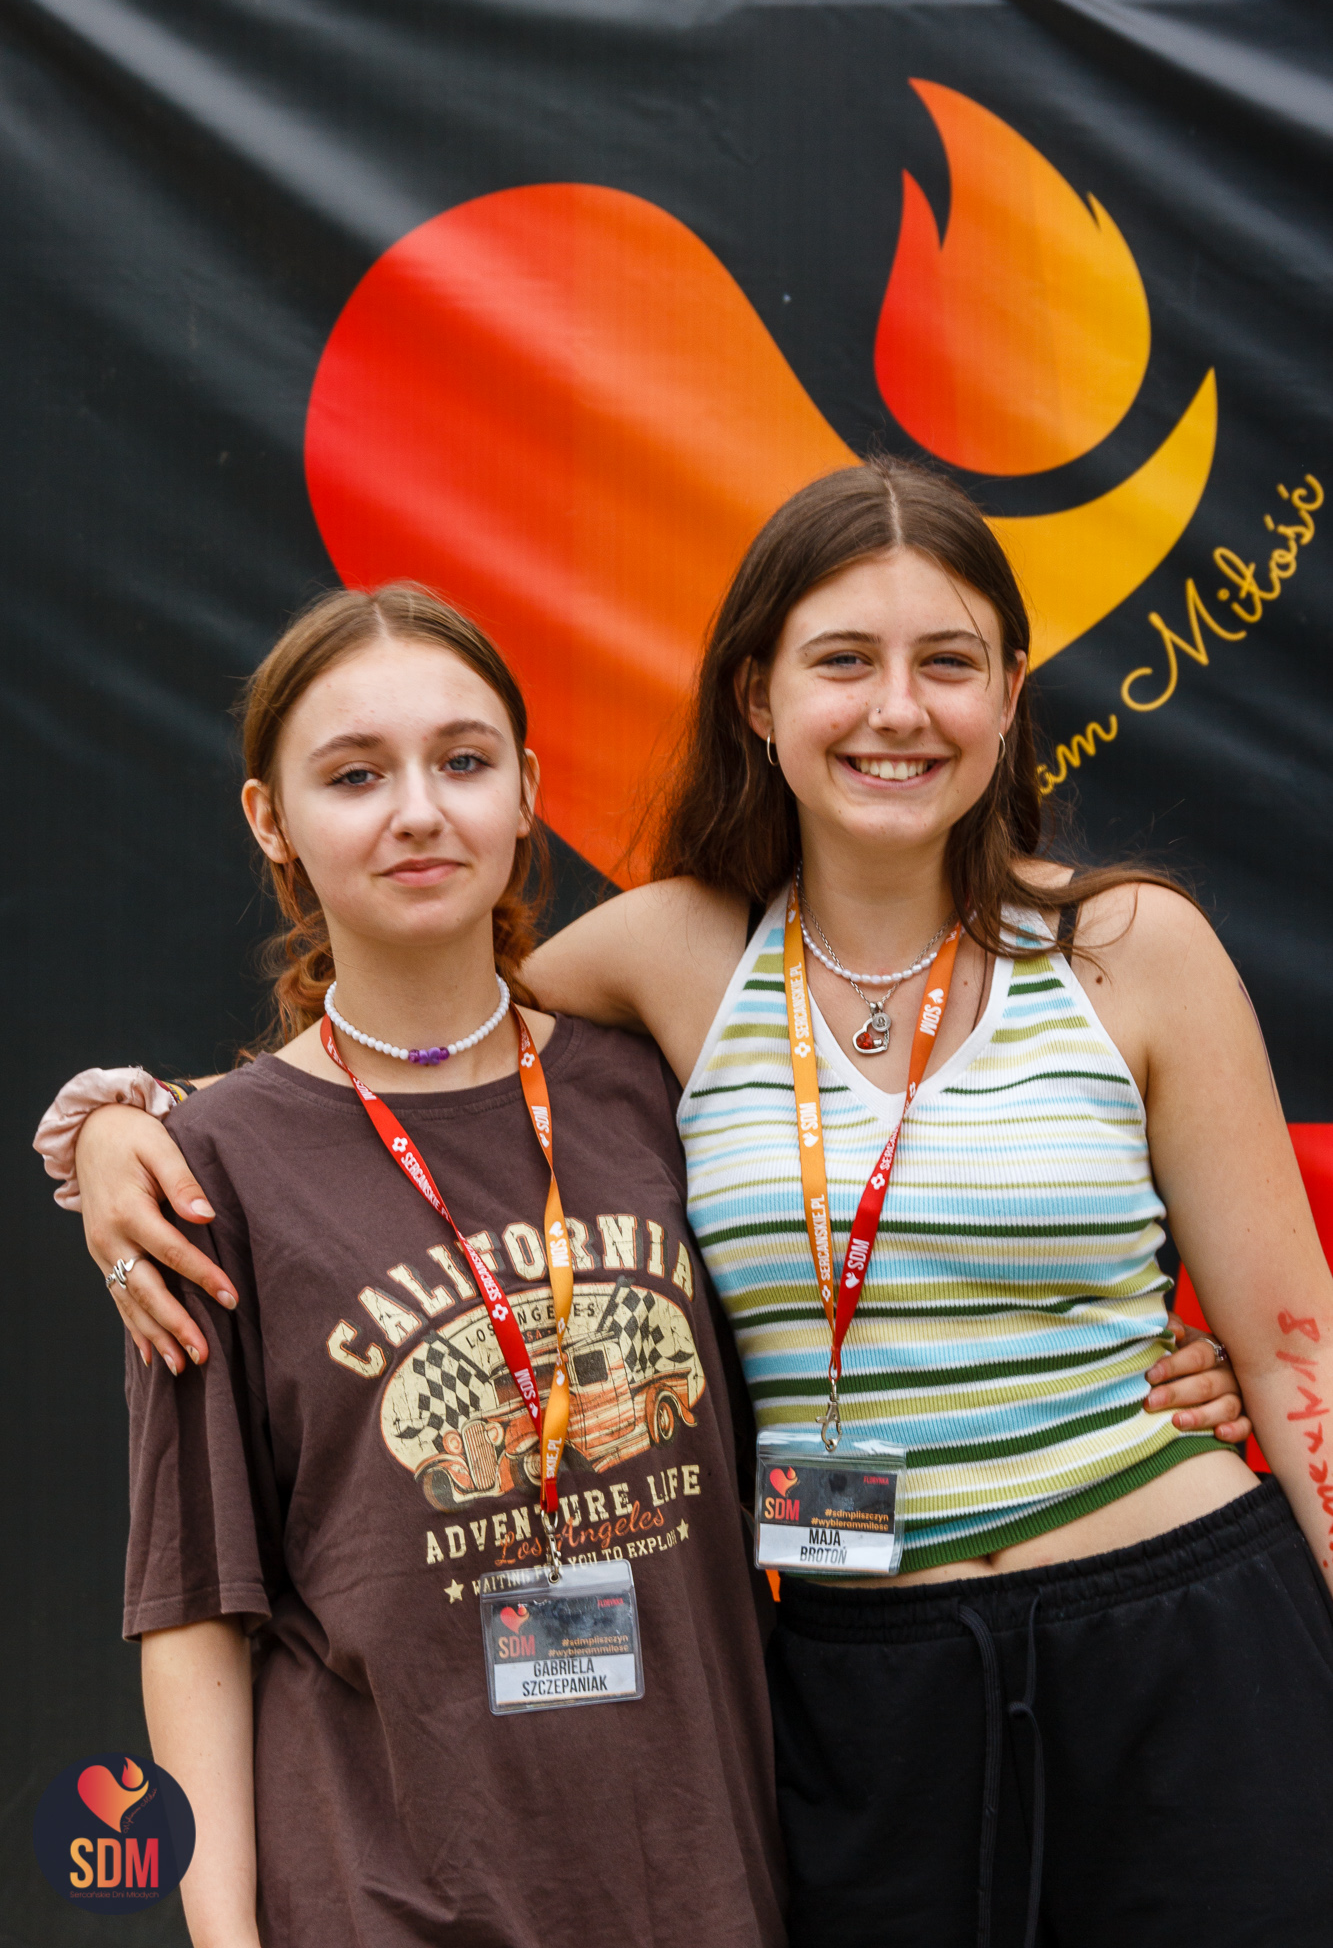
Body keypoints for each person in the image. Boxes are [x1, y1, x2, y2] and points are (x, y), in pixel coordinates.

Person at [42, 464, 1288, 1946]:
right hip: (864, 1692)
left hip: (1168, 1636)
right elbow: (400, 1048)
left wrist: (1238, 1377)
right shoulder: (673, 960)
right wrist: (126, 1123)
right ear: (758, 697)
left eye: (947, 662)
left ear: (1012, 692)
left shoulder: (1121, 949)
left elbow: (1304, 1352)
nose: (896, 710)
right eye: (843, 660)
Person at [48, 584, 785, 1948]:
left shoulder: (659, 1083)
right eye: (354, 775)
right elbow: (196, 1611)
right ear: (270, 819)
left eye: (462, 760)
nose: (418, 811)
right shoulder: (203, 1173)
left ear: (526, 792)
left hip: (700, 1885)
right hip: (384, 1901)